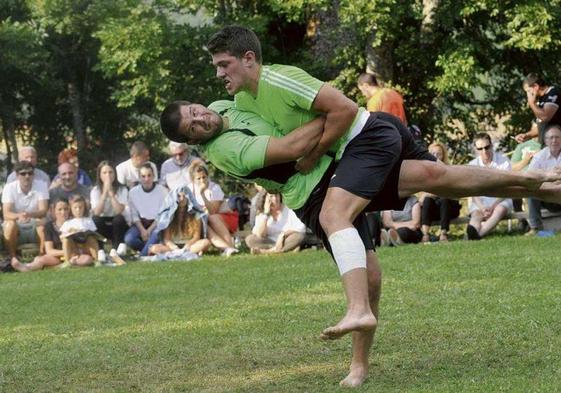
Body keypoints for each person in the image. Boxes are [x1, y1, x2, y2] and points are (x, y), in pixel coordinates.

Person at [163, 26, 561, 387]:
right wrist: (327, 119)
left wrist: (332, 116)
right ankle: (543, 186)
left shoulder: (242, 96)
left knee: (381, 200)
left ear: (248, 59)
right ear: (194, 142)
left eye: (197, 111)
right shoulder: (226, 148)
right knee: (426, 195)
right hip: (318, 185)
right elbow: (293, 148)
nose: (201, 117)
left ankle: (358, 311)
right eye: (192, 127)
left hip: (351, 153)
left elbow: (339, 114)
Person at [466, 133, 513, 240]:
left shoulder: (504, 162)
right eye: (480, 148)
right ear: (476, 149)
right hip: (480, 201)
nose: (484, 151)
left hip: (501, 199)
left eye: (487, 147)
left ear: (491, 145)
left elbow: (507, 188)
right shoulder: (472, 165)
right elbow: (472, 191)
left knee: (499, 210)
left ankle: (477, 235)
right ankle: (473, 230)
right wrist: (482, 207)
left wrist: (492, 206)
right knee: (476, 214)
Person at [2, 161, 49, 267]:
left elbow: (43, 210)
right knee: (9, 225)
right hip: (16, 222)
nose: (27, 176)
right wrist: (20, 216)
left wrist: (29, 215)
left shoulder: (41, 185)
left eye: (30, 173)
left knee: (42, 225)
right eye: (23, 174)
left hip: (34, 220)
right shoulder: (9, 188)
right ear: (17, 175)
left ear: (33, 174)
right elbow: (6, 213)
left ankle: (42, 256)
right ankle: (12, 258)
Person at [189, 163, 238, 256]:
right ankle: (227, 249)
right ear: (193, 180)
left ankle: (229, 245)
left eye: (204, 177)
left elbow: (213, 212)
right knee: (204, 223)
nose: (202, 180)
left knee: (212, 218)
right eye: (198, 178)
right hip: (203, 220)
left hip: (224, 217)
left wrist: (202, 194)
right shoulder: (189, 189)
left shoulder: (214, 188)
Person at [10, 198, 69, 272]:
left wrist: (69, 253)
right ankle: (26, 267)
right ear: (54, 211)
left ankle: (62, 265)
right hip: (58, 257)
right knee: (40, 259)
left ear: (69, 210)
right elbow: (49, 250)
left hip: (73, 256)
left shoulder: (74, 224)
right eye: (59, 209)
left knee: (85, 260)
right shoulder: (49, 226)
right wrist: (65, 252)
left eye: (65, 209)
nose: (63, 212)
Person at [419, 142, 461, 243]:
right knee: (428, 200)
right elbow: (421, 200)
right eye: (433, 154)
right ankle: (425, 235)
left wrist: (432, 192)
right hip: (434, 210)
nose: (436, 156)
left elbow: (451, 192)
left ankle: (443, 234)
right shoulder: (425, 173)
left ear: (443, 155)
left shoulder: (449, 170)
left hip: (449, 208)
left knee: (444, 199)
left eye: (438, 154)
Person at [149, 189, 211, 256]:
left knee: (206, 242)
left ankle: (182, 253)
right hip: (173, 247)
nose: (182, 199)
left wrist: (187, 245)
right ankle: (182, 253)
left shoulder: (195, 214)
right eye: (179, 196)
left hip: (189, 245)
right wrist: (174, 248)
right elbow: (167, 239)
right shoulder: (169, 215)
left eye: (184, 196)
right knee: (154, 248)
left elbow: (196, 237)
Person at [124, 163, 168, 255]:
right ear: (139, 177)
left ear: (154, 176)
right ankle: (149, 249)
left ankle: (142, 256)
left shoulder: (162, 191)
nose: (146, 179)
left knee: (155, 234)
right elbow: (134, 214)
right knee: (129, 239)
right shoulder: (133, 192)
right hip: (140, 224)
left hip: (156, 224)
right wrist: (143, 230)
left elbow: (162, 214)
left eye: (149, 175)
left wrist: (149, 230)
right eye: (143, 176)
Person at [526, 125, 561, 235]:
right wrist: (549, 176)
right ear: (545, 141)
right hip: (547, 197)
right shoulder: (540, 156)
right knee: (531, 189)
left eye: (557, 137)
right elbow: (529, 177)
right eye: (551, 138)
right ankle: (535, 227)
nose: (554, 140)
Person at [90, 161, 129, 260]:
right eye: (104, 173)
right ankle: (100, 251)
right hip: (102, 223)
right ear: (100, 175)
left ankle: (116, 250)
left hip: (117, 223)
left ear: (115, 174)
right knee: (95, 220)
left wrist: (111, 193)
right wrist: (104, 193)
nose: (108, 175)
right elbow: (97, 212)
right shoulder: (95, 190)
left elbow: (119, 210)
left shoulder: (122, 189)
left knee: (119, 219)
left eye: (110, 172)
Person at [515, 74, 561, 146]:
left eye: (528, 91)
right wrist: (526, 135)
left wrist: (531, 103)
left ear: (536, 86)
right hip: (546, 147)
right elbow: (541, 126)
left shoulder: (553, 93)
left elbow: (545, 117)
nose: (528, 95)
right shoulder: (540, 99)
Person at [60, 194, 102, 267]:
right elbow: (62, 238)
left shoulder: (88, 220)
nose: (78, 210)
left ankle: (96, 260)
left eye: (80, 207)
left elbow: (94, 234)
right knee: (66, 239)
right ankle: (67, 262)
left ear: (84, 208)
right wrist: (70, 232)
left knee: (91, 238)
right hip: (74, 247)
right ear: (71, 209)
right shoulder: (67, 223)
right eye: (75, 208)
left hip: (86, 246)